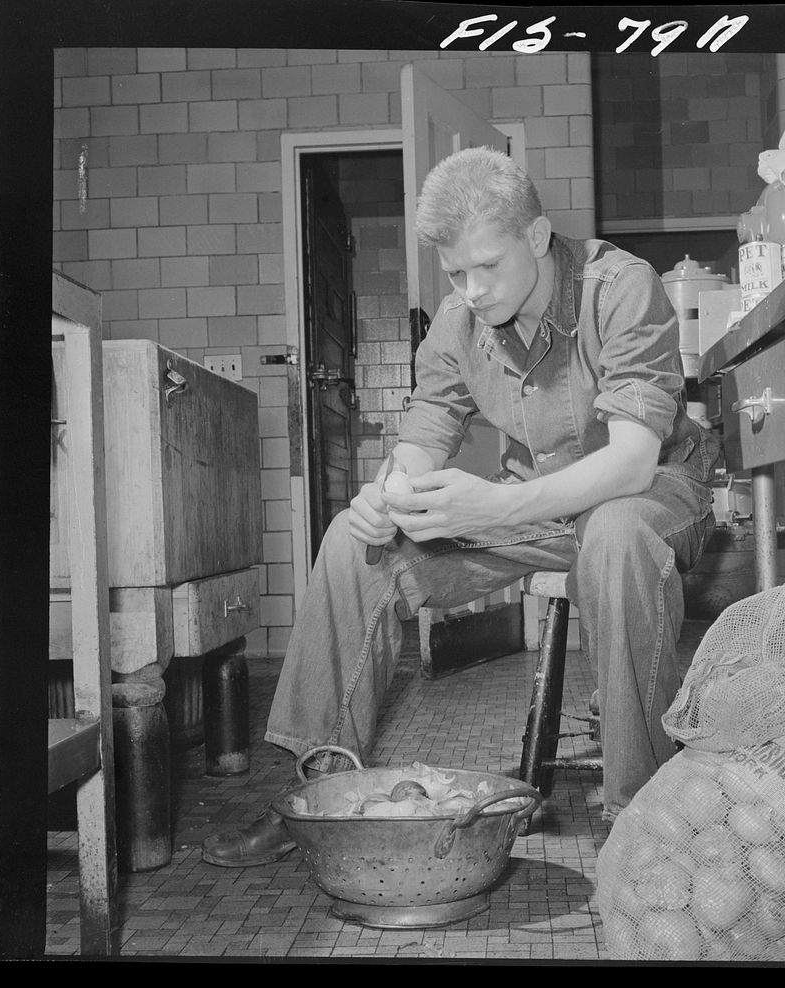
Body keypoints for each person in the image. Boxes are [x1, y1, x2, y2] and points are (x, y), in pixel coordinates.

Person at [202, 146, 718, 867]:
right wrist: (387, 498)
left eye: (487, 267)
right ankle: (320, 795)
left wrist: (495, 509)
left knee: (618, 532)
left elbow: (632, 462)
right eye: (454, 273)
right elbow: (422, 435)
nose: (471, 290)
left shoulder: (621, 287)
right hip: (538, 512)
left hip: (653, 494)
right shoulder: (455, 322)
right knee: (356, 546)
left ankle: (639, 815)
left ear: (536, 238)